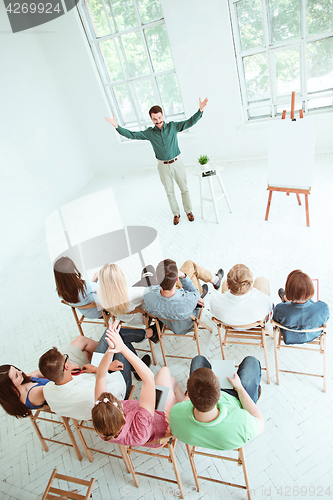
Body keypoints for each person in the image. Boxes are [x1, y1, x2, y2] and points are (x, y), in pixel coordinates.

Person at [106, 98, 208, 225]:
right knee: (169, 192)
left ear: (162, 115)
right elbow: (132, 135)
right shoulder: (149, 133)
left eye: (159, 117)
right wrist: (116, 126)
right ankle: (176, 214)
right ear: (151, 119)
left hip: (177, 163)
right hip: (162, 166)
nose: (158, 121)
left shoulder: (173, 126)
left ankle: (189, 211)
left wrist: (200, 110)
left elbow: (189, 122)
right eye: (155, 119)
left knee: (184, 189)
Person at [92, 321, 184, 447]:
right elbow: (148, 378)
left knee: (170, 381)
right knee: (164, 372)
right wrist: (122, 348)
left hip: (149, 417)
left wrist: (111, 349)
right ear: (122, 414)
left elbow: (101, 375)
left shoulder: (104, 424)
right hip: (164, 425)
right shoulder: (139, 428)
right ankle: (185, 418)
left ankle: (180, 399)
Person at [169, 355, 264, 450]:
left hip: (204, 397)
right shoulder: (244, 423)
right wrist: (239, 388)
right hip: (237, 400)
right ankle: (254, 392)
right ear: (219, 395)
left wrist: (207, 383)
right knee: (251, 362)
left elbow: (185, 401)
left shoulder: (174, 414)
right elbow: (260, 423)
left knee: (198, 360)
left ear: (189, 395)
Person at [39, 341, 128, 420]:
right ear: (66, 367)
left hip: (95, 381)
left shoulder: (47, 390)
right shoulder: (90, 394)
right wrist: (96, 369)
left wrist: (70, 370)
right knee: (120, 343)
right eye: (66, 358)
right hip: (117, 391)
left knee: (109, 339)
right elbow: (119, 386)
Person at [144, 259, 223, 335]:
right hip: (187, 323)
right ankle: (215, 281)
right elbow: (194, 293)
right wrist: (183, 275)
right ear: (177, 279)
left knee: (189, 265)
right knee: (191, 266)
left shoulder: (147, 296)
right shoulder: (188, 299)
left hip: (172, 323)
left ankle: (214, 281)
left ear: (157, 279)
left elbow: (153, 287)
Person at [98, 263, 159, 344]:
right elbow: (154, 294)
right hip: (142, 318)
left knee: (146, 277)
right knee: (149, 269)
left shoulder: (102, 296)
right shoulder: (132, 293)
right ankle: (156, 331)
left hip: (122, 318)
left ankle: (145, 279)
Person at [273, 270, 330, 344]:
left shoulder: (279, 308)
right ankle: (297, 298)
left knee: (286, 310)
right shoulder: (323, 308)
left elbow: (275, 321)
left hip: (289, 337)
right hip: (313, 335)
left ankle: (286, 300)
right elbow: (324, 320)